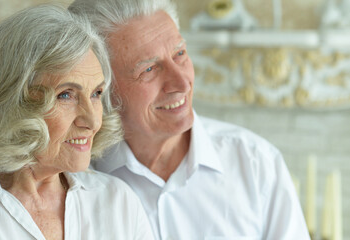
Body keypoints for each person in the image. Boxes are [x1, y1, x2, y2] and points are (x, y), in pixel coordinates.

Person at [69, 0, 311, 239]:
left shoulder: (256, 162)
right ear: (101, 89)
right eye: (149, 69)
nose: (182, 83)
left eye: (180, 54)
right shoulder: (73, 182)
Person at [0, 4, 154, 240]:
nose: (92, 120)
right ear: (12, 101)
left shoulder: (118, 203)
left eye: (96, 94)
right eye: (66, 95)